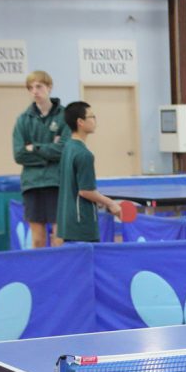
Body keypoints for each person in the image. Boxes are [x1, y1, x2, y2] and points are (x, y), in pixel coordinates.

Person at [12, 70, 70, 248]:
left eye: (39, 86)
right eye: (30, 88)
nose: (34, 91)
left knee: (58, 237)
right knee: (37, 239)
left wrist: (35, 148)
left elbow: (64, 150)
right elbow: (19, 154)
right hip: (32, 184)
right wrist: (48, 153)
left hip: (57, 182)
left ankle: (59, 273)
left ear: (49, 87)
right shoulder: (23, 120)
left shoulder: (65, 116)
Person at [56, 102, 121, 242]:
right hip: (82, 225)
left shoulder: (67, 147)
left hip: (67, 222)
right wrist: (110, 203)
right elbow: (86, 191)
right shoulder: (84, 154)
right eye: (92, 116)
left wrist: (98, 200)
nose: (95, 120)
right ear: (80, 122)